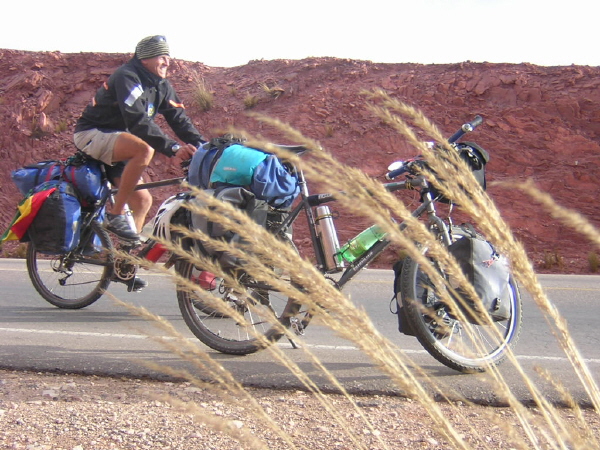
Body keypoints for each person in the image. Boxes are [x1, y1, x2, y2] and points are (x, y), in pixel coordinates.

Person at [74, 35, 206, 242]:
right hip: (93, 134)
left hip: (121, 142)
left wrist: (205, 147)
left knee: (143, 201)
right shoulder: (127, 76)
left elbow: (179, 119)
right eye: (162, 57)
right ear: (145, 58)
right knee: (144, 150)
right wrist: (172, 148)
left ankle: (125, 263)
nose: (167, 62)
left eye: (168, 57)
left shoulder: (162, 85)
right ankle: (115, 215)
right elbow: (137, 120)